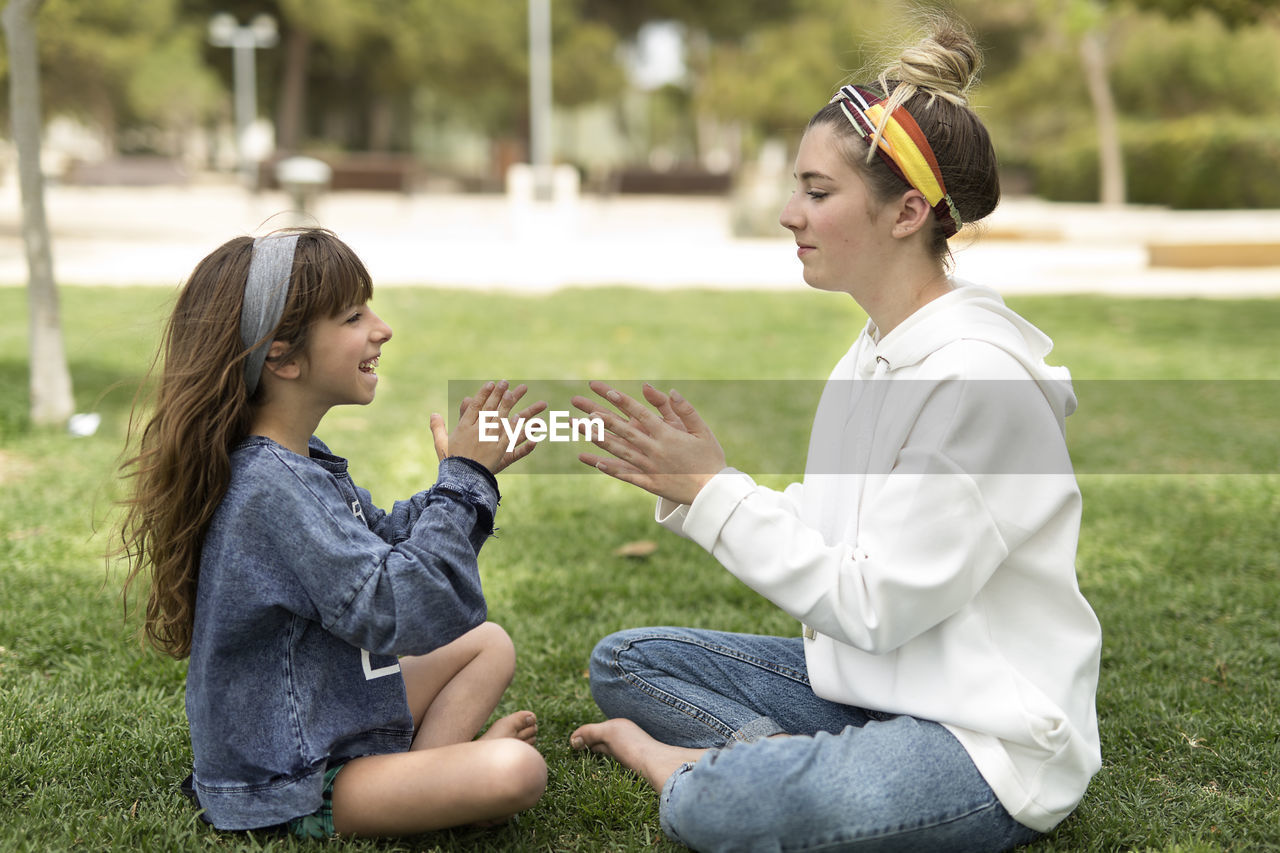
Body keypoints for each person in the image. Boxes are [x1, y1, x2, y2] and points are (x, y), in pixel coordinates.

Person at [568, 16, 1101, 853]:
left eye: (817, 192)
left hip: (986, 744)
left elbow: (873, 604)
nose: (789, 214)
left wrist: (716, 493)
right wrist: (698, 481)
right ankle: (785, 758)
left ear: (909, 212)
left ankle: (719, 770)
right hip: (878, 689)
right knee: (627, 662)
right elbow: (838, 530)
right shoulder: (876, 349)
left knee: (717, 809)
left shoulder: (978, 382)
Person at [118, 227, 548, 838]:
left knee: (488, 643)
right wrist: (463, 481)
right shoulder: (269, 486)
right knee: (517, 771)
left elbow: (386, 547)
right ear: (283, 356)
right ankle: (437, 787)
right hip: (294, 775)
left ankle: (425, 784)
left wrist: (467, 481)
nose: (382, 328)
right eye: (353, 316)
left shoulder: (295, 462)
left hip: (336, 709)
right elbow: (397, 607)